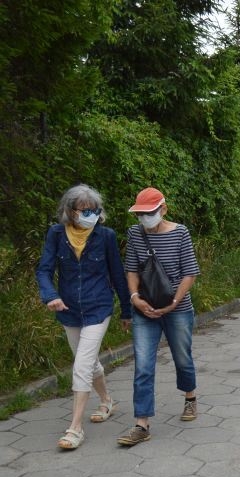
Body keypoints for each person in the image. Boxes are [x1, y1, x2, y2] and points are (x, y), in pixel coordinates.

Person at [36, 185, 133, 450]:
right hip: (68, 309)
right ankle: (107, 401)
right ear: (70, 211)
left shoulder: (106, 236)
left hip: (98, 307)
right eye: (85, 210)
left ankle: (75, 428)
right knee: (88, 362)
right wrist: (50, 295)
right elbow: (43, 270)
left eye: (95, 211)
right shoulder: (56, 234)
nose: (92, 215)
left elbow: (117, 274)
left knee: (81, 364)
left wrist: (126, 310)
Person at [119, 187, 201, 446]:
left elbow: (190, 272)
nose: (145, 218)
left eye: (150, 213)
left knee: (182, 357)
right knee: (143, 365)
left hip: (177, 308)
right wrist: (134, 298)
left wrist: (174, 302)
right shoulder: (135, 234)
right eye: (140, 214)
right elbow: (131, 269)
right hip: (144, 307)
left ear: (163, 209)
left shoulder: (180, 233)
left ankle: (190, 398)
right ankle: (141, 424)